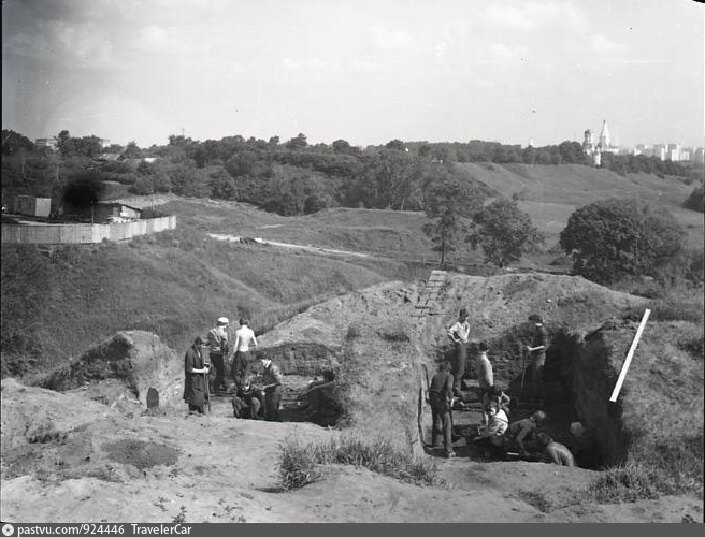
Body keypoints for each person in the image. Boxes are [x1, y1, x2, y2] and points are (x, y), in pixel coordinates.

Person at [428, 361, 457, 458]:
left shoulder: (435, 376)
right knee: (447, 424)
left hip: (432, 399)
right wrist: (452, 398)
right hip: (440, 400)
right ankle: (448, 450)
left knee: (436, 421)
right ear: (448, 369)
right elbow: (449, 387)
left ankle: (435, 443)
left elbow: (433, 388)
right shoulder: (449, 376)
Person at [183, 336, 211, 415]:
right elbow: (189, 368)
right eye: (203, 345)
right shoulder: (190, 352)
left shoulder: (200, 351)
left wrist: (205, 366)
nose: (204, 347)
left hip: (200, 380)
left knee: (201, 400)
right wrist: (201, 371)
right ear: (198, 344)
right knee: (194, 400)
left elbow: (200, 363)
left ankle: (201, 414)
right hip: (193, 381)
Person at [447, 308, 471, 396]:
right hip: (459, 345)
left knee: (463, 365)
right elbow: (449, 332)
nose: (465, 319)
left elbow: (466, 335)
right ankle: (457, 388)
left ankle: (460, 384)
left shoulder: (467, 325)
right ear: (461, 316)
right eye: (464, 317)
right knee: (459, 366)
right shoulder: (457, 325)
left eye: (466, 317)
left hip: (464, 345)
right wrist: (455, 340)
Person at [229, 318, 258, 390]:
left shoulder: (238, 332)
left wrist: (232, 355)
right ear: (247, 323)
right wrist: (250, 346)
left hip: (240, 352)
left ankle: (240, 386)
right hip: (247, 352)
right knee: (245, 371)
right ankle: (244, 386)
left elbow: (236, 344)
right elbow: (255, 343)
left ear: (240, 323)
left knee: (235, 371)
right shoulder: (251, 332)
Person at [526, 314, 548, 404]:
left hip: (540, 356)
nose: (529, 324)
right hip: (536, 355)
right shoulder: (537, 330)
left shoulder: (542, 331)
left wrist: (532, 349)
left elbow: (544, 345)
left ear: (534, 322)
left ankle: (540, 398)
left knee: (537, 376)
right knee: (535, 376)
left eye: (530, 322)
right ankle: (536, 397)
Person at [207, 317, 230, 393]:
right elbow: (224, 346)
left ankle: (224, 385)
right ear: (223, 325)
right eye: (226, 325)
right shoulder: (223, 334)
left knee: (216, 370)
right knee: (221, 372)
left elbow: (208, 342)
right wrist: (226, 350)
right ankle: (215, 388)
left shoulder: (211, 332)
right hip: (219, 354)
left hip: (212, 354)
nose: (226, 327)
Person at [260, 354, 283, 421]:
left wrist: (267, 386)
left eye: (262, 361)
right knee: (268, 411)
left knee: (273, 410)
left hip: (274, 392)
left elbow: (279, 382)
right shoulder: (265, 367)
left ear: (267, 359)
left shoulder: (273, 368)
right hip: (268, 391)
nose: (261, 363)